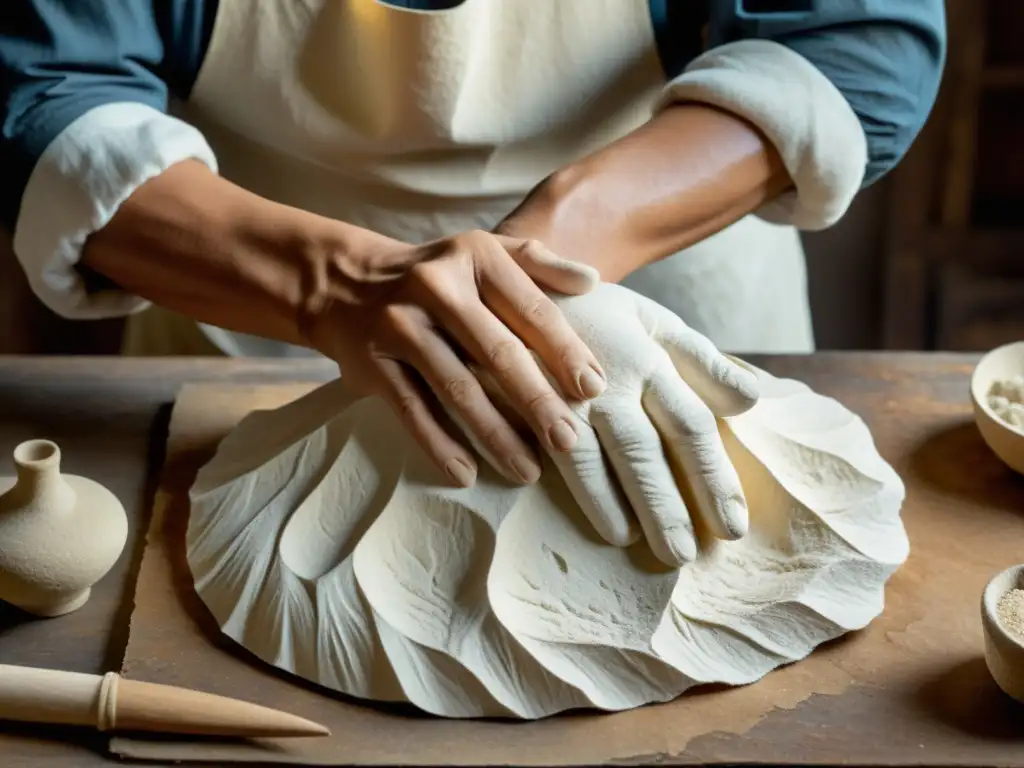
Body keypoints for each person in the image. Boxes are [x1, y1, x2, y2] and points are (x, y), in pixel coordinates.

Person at [0, 0, 945, 564]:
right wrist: (333, 286)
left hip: (657, 314)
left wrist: (548, 270)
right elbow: (42, 84)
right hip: (243, 318)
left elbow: (855, 37)